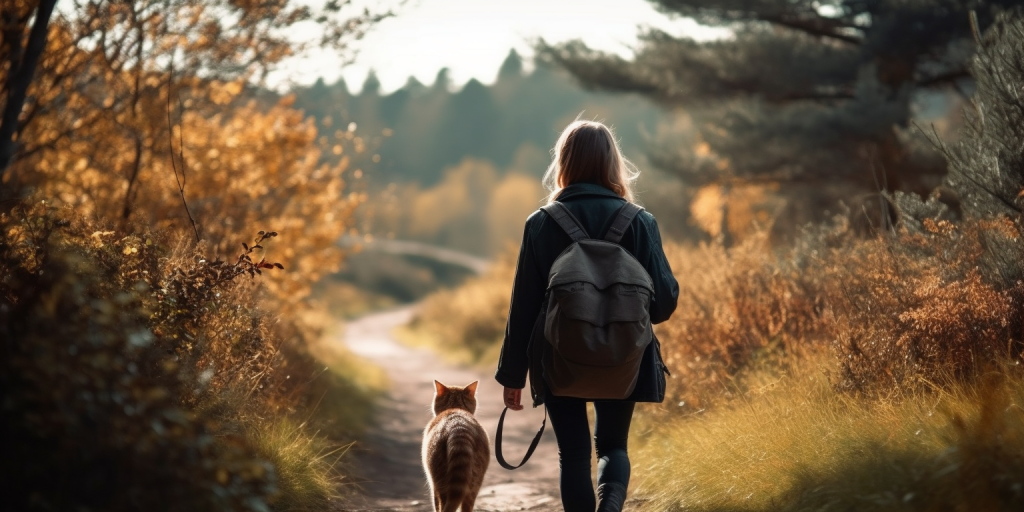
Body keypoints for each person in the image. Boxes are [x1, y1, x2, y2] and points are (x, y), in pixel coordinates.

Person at [494, 119, 679, 512]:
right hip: (624, 355)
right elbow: (663, 304)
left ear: (564, 161)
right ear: (614, 163)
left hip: (558, 355)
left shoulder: (541, 223)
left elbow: (523, 306)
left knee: (574, 455)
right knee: (613, 446)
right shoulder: (640, 222)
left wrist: (512, 375)